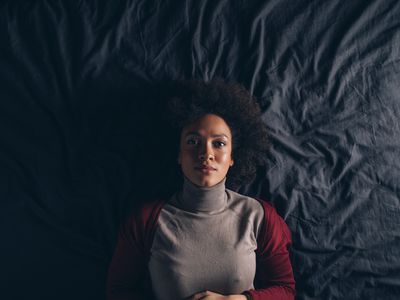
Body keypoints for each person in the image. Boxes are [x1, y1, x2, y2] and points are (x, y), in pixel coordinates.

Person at [106, 79, 295, 300]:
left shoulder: (259, 217)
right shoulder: (146, 221)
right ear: (178, 153)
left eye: (219, 143)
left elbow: (285, 290)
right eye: (193, 142)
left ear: (233, 156)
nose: (206, 154)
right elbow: (118, 292)